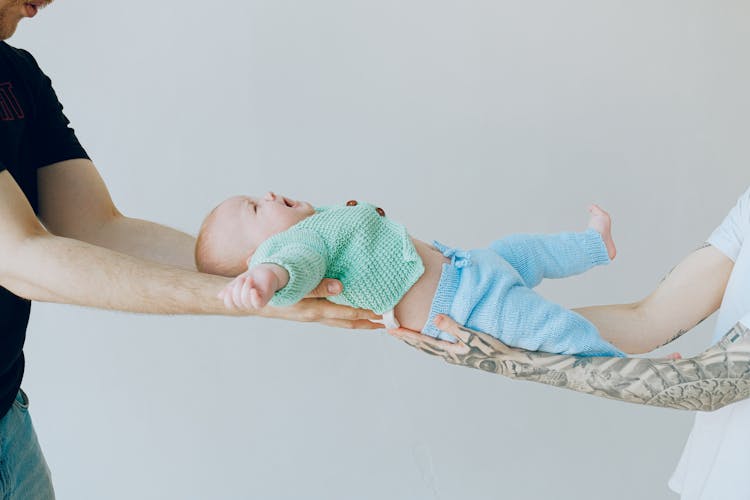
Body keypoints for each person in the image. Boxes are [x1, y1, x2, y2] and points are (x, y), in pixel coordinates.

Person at [0, 2, 380, 497]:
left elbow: (96, 225)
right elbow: (18, 257)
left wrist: (281, 266)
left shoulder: (17, 73)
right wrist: (252, 301)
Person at [390, 186, 750, 498]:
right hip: (717, 475)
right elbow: (649, 319)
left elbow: (708, 385)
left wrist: (513, 358)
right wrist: (492, 319)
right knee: (518, 253)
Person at [196, 190, 623, 356]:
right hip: (466, 310)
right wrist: (267, 279)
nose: (268, 194)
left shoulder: (315, 223)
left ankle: (593, 245)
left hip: (470, 265)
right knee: (551, 329)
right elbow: (296, 268)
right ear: (256, 254)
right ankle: (627, 369)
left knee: (526, 249)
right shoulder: (295, 248)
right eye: (254, 208)